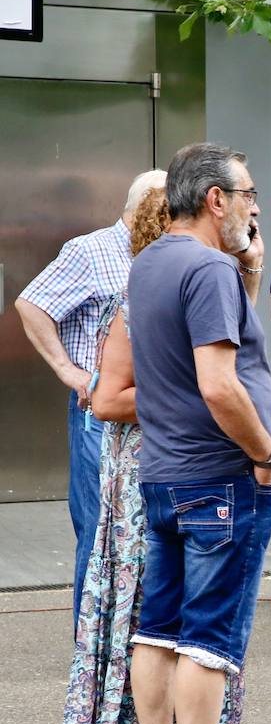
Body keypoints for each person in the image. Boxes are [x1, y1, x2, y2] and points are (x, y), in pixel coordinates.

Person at [60, 187, 250, 724]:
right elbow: (107, 398)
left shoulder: (197, 288)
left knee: (193, 616)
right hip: (146, 479)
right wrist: (184, 388)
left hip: (189, 466)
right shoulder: (135, 299)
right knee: (147, 616)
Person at [127, 142, 271, 724]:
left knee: (157, 630)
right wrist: (267, 450)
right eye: (245, 192)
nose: (254, 203)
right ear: (214, 199)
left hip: (162, 474)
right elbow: (220, 384)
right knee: (208, 640)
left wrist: (245, 267)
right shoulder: (207, 267)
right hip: (219, 477)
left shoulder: (152, 261)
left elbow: (216, 343)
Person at [17, 169, 166, 623]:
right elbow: (31, 303)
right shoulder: (90, 249)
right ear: (148, 205)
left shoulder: (166, 253)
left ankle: (133, 636)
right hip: (98, 413)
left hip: (152, 412)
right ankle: (92, 643)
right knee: (100, 528)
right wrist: (68, 369)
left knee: (144, 528)